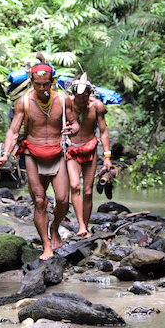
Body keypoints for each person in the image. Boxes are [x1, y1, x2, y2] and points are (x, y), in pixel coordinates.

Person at [0, 57, 79, 260]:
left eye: (46, 84)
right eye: (38, 84)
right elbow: (13, 132)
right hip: (32, 153)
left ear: (52, 81)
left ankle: (55, 227)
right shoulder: (23, 102)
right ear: (32, 82)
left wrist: (71, 129)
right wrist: (5, 155)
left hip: (57, 153)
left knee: (62, 200)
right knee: (40, 201)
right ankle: (46, 246)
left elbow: (75, 124)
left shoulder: (63, 99)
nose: (42, 88)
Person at [66, 73, 112, 236]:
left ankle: (85, 225)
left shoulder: (97, 106)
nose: (82, 100)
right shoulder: (67, 105)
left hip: (90, 149)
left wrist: (107, 157)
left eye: (85, 96)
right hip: (71, 150)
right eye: (79, 97)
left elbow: (103, 131)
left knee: (87, 191)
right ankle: (81, 227)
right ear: (74, 94)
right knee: (74, 186)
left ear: (89, 93)